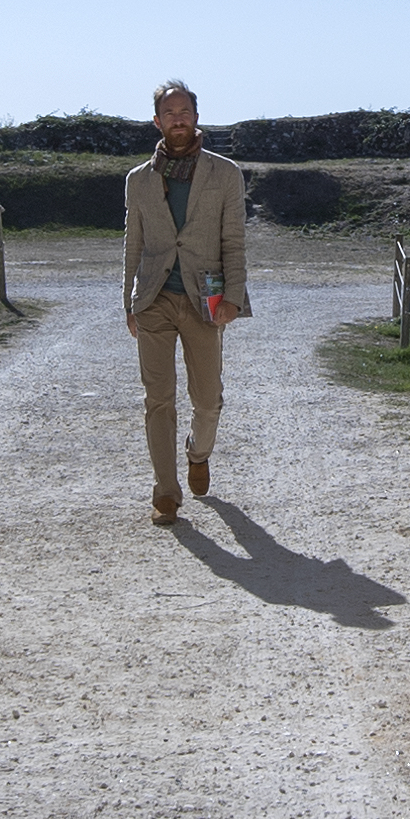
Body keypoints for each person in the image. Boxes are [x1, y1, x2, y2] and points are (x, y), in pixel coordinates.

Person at [121, 79, 248, 522]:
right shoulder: (138, 180)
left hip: (205, 298)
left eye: (184, 111)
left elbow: (233, 240)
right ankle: (166, 492)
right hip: (154, 297)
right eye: (169, 113)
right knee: (158, 397)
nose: (178, 118)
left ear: (196, 117)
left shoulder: (225, 173)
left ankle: (199, 453)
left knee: (208, 398)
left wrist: (233, 297)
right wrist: (128, 301)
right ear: (157, 122)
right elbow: (132, 241)